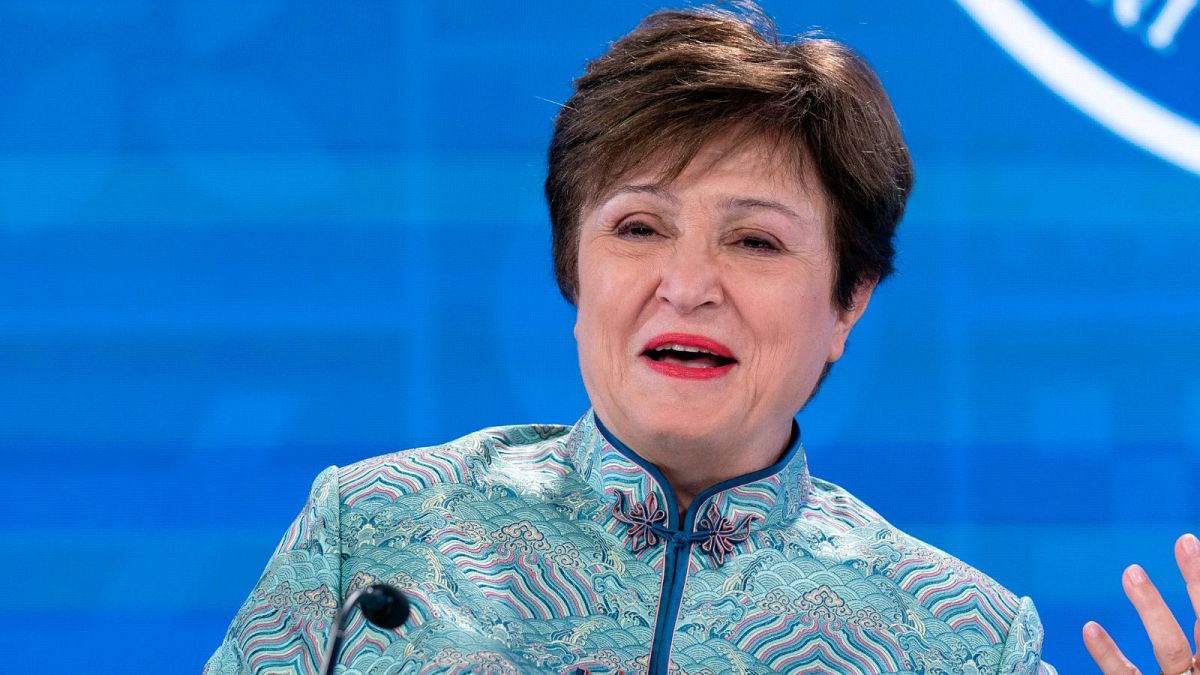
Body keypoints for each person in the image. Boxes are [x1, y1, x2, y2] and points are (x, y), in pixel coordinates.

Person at [206, 4, 1196, 674]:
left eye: (755, 240)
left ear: (848, 303)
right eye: (638, 228)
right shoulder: (372, 535)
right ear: (573, 269)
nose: (688, 285)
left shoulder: (965, 640)